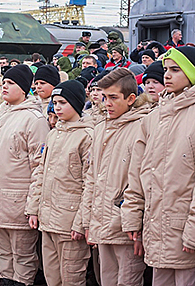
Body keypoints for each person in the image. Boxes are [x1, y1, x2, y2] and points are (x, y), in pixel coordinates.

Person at [122, 46, 195, 286]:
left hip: (184, 228)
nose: (167, 75)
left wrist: (193, 230)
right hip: (157, 225)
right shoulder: (154, 117)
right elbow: (138, 172)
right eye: (166, 69)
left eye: (175, 69)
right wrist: (133, 215)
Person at [0, 64, 49, 286]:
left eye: (11, 83)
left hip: (18, 202)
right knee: (3, 256)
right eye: (4, 83)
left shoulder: (34, 119)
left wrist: (32, 205)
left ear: (24, 88)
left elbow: (39, 166)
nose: (5, 87)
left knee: (23, 257)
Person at [83, 68, 150, 286]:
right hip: (103, 222)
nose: (107, 103)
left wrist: (135, 226)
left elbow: (141, 182)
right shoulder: (101, 127)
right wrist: (89, 222)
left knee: (128, 280)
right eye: (104, 97)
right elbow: (92, 178)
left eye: (113, 97)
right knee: (107, 279)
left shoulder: (142, 126)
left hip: (126, 228)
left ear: (131, 99)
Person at [28, 80, 92, 286]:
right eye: (55, 103)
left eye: (63, 102)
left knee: (71, 278)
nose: (57, 107)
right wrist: (33, 208)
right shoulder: (53, 134)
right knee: (52, 277)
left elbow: (89, 184)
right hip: (48, 221)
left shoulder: (86, 136)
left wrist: (81, 222)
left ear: (76, 103)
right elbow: (41, 173)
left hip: (70, 222)